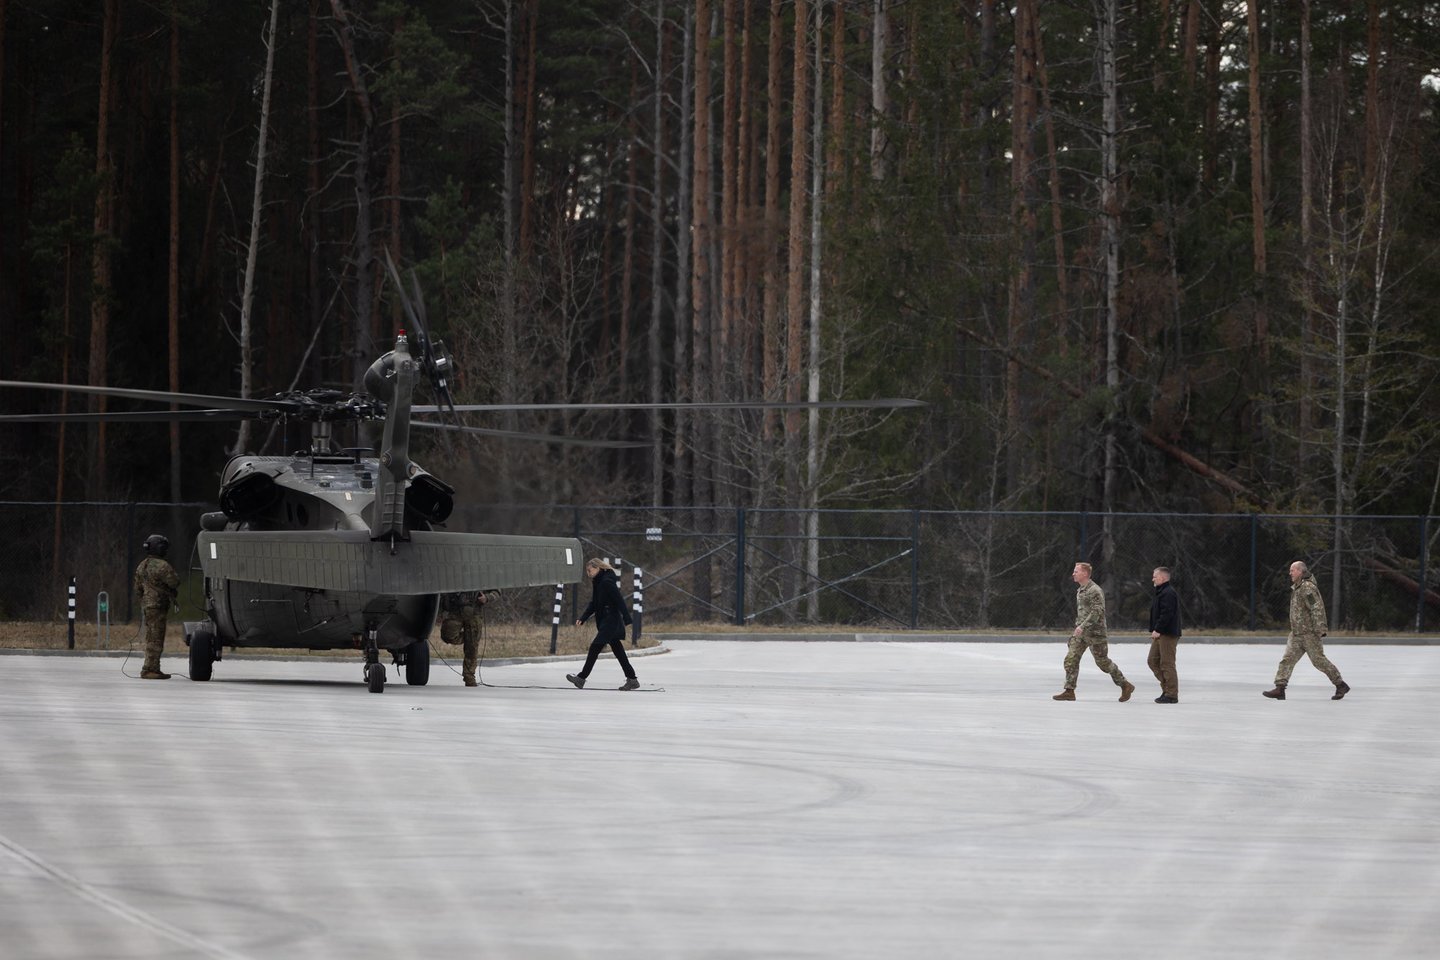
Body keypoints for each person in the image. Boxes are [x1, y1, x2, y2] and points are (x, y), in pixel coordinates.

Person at [1263, 561, 1350, 700]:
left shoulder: (1307, 587)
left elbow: (1316, 607)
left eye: (1292, 570)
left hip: (1309, 634)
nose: (1290, 573)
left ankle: (1340, 685)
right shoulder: (1297, 587)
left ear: (1300, 571)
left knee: (1319, 661)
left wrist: (1320, 628)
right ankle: (1280, 688)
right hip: (1296, 634)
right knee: (1287, 660)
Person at [1054, 562, 1135, 702]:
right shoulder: (1081, 590)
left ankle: (1125, 684)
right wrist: (1078, 627)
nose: (1073, 574)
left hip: (1095, 633)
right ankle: (1069, 691)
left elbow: (1097, 611)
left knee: (1103, 663)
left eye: (1076, 571)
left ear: (1085, 573)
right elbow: (1083, 612)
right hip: (1081, 633)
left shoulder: (1095, 590)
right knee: (1071, 659)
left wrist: (1082, 626)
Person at [567, 559, 638, 691]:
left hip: (611, 620)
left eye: (590, 570)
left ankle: (581, 678)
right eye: (587, 571)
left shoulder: (606, 582)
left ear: (598, 568)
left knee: (595, 647)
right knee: (618, 650)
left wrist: (627, 617)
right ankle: (632, 679)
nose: (588, 573)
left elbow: (619, 600)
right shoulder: (598, 582)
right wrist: (583, 618)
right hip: (606, 620)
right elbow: (594, 603)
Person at [133, 534, 179, 680]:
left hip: (148, 606)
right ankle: (150, 669)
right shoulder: (162, 565)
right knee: (156, 639)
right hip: (158, 606)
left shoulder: (142, 565)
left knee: (151, 636)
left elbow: (137, 589)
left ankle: (151, 668)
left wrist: (145, 600)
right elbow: (174, 582)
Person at [1148, 566, 1182, 703]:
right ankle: (1167, 689)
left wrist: (1158, 629)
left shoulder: (1168, 593)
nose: (1153, 579)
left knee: (1167, 663)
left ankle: (1171, 695)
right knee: (1152, 661)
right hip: (1160, 633)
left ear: (1162, 578)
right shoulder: (1161, 592)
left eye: (1155, 576)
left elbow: (1167, 613)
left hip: (1167, 633)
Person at [440, 590, 487, 686]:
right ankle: (470, 638)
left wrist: (487, 598)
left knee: (472, 647)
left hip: (474, 612)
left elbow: (496, 591)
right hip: (455, 610)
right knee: (448, 636)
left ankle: (469, 676)